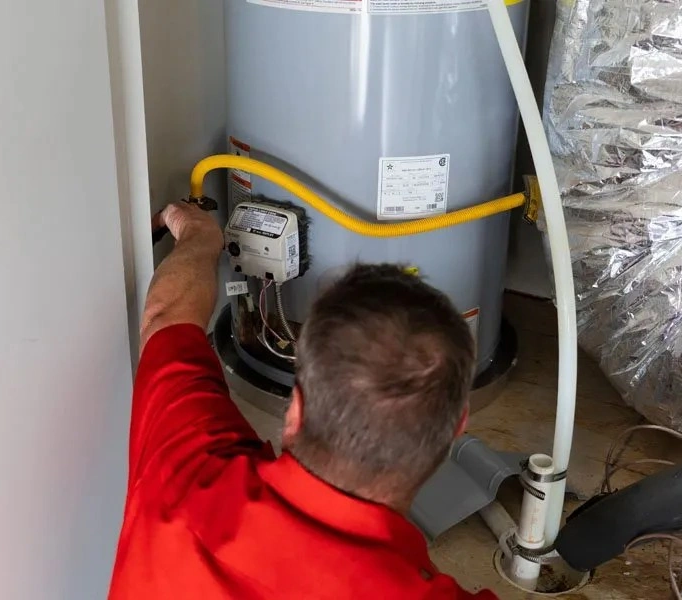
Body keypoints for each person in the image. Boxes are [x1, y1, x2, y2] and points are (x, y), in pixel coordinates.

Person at [108, 201, 498, 599]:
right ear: (454, 429)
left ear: (297, 408)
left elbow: (166, 318)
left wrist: (201, 234)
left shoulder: (185, 471)